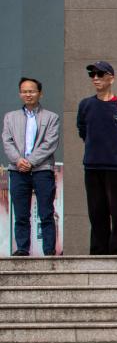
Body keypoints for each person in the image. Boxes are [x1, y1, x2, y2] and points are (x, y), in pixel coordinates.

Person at [77, 62, 117, 255]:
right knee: (96, 212)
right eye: (92, 74)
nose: (95, 78)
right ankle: (98, 252)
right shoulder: (85, 105)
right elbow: (83, 130)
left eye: (100, 74)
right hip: (93, 166)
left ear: (111, 78)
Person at [2, 77, 60, 256]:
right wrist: (18, 160)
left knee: (46, 212)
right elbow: (7, 141)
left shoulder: (51, 117)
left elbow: (50, 143)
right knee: (21, 214)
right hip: (17, 170)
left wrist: (31, 161)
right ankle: (22, 249)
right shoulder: (10, 117)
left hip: (42, 170)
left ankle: (49, 251)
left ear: (40, 93)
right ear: (20, 94)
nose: (28, 94)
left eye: (32, 91)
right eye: (24, 91)